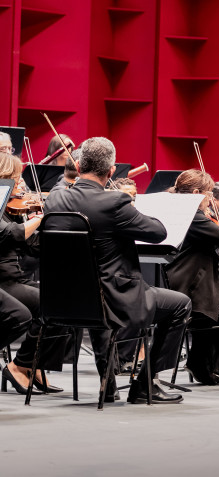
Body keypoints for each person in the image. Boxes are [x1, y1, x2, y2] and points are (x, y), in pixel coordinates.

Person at [43, 137, 191, 404]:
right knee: (180, 305)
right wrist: (131, 208)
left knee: (101, 288)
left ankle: (108, 383)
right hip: (113, 299)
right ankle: (147, 383)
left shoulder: (55, 198)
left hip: (67, 298)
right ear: (111, 172)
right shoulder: (114, 203)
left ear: (77, 164)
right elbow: (158, 232)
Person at [165, 170, 219, 386]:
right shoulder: (194, 215)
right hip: (192, 285)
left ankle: (202, 362)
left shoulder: (175, 209)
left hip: (181, 280)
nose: (210, 199)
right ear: (196, 193)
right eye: (209, 194)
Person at [0, 153, 67, 396]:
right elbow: (10, 235)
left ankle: (35, 365)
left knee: (65, 302)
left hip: (15, 278)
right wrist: (39, 219)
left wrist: (51, 228)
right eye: (16, 178)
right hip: (3, 281)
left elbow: (32, 247)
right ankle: (20, 365)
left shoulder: (14, 207)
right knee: (48, 304)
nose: (21, 184)